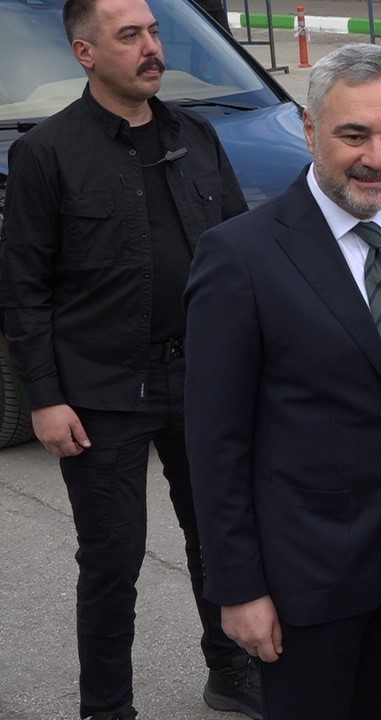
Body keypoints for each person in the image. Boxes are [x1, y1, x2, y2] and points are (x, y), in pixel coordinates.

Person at [183, 43, 381, 720]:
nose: (378, 157)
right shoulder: (242, 255)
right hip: (304, 590)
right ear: (311, 130)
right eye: (354, 135)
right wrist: (238, 589)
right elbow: (215, 442)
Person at [0, 0, 257, 715]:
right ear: (86, 54)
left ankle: (231, 672)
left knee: (220, 538)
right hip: (104, 391)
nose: (152, 47)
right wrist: (46, 396)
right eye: (130, 36)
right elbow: (23, 290)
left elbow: (243, 261)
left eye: (152, 32)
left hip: (203, 379)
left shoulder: (196, 135)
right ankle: (106, 707)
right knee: (112, 563)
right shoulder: (47, 154)